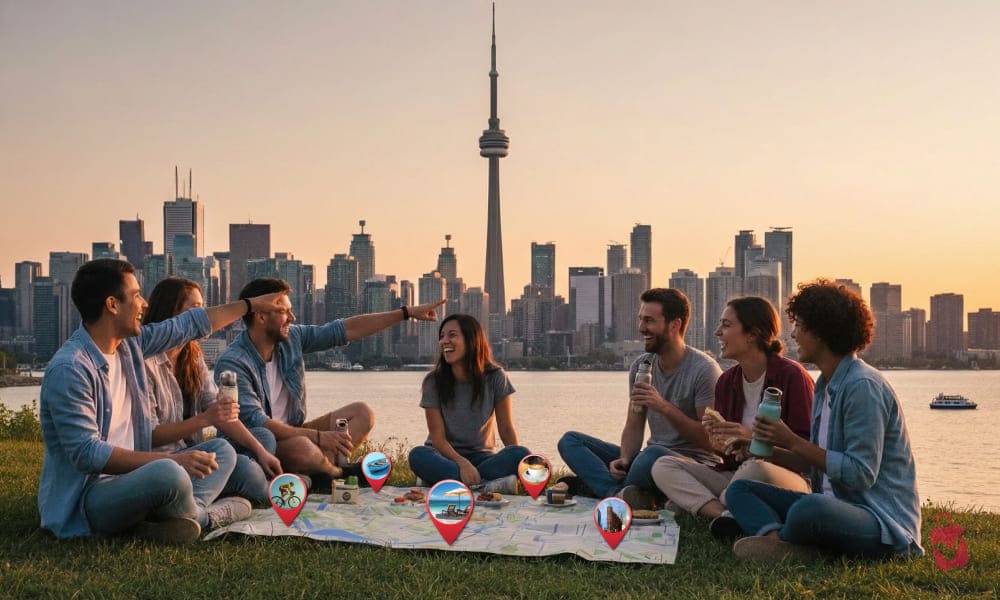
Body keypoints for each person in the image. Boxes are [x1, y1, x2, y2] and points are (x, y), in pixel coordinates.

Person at [38, 259, 284, 543]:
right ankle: (206, 518)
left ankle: (175, 519)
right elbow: (87, 453)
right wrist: (174, 459)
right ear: (112, 304)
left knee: (220, 450)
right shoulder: (71, 369)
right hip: (90, 498)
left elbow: (191, 323)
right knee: (168, 472)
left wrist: (251, 305)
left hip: (138, 478)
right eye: (136, 295)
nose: (144, 304)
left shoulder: (129, 348)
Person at [726, 279, 923, 561]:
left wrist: (791, 440)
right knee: (740, 490)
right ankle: (778, 544)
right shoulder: (825, 385)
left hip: (881, 523)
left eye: (800, 325)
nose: (792, 334)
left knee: (809, 510)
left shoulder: (862, 386)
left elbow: (860, 474)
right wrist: (768, 450)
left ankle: (788, 540)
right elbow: (817, 463)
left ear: (822, 332)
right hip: (834, 505)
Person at [214, 277, 444, 482]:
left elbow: (346, 329)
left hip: (294, 430)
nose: (292, 318)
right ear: (261, 316)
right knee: (304, 448)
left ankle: (315, 470)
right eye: (284, 312)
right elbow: (258, 422)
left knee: (362, 413)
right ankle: (337, 474)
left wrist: (406, 313)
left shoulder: (292, 337)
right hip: (261, 443)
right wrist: (318, 437)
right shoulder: (234, 363)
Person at [650, 296, 813, 538]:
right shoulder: (727, 381)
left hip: (783, 478)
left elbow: (807, 456)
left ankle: (704, 505)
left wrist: (751, 440)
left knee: (754, 468)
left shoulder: (792, 376)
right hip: (737, 474)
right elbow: (727, 456)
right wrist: (720, 443)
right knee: (663, 465)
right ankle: (724, 515)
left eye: (726, 325)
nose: (717, 332)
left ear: (752, 334)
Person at [557, 288, 722, 505]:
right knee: (570, 441)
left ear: (675, 325)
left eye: (649, 321)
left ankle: (602, 489)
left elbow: (711, 441)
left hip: (689, 464)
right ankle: (617, 492)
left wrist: (663, 406)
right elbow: (634, 424)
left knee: (651, 455)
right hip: (647, 457)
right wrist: (625, 458)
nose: (641, 328)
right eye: (641, 320)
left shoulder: (704, 370)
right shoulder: (641, 366)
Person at [143, 277, 281, 506]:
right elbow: (152, 435)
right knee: (241, 465)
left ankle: (233, 487)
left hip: (196, 451)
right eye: (195, 309)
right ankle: (263, 494)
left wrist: (261, 451)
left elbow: (217, 411)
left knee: (262, 438)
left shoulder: (192, 356)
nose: (203, 316)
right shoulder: (145, 362)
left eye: (203, 307)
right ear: (172, 313)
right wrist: (205, 419)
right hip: (167, 460)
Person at [408, 314, 530, 491]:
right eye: (442, 336)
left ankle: (447, 482)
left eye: (452, 335)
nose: (444, 341)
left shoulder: (496, 377)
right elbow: (438, 438)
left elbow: (506, 429)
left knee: (521, 454)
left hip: (483, 457)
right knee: (417, 456)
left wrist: (519, 465)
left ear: (471, 340)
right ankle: (486, 486)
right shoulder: (433, 382)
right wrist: (462, 464)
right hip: (445, 456)